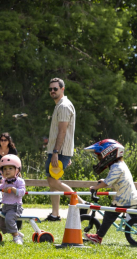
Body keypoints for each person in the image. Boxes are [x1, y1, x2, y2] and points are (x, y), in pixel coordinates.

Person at [83, 140, 137, 244]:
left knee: (108, 216)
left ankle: (98, 237)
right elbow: (113, 179)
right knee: (135, 220)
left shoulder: (116, 167)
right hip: (132, 197)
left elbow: (107, 183)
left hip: (124, 199)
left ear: (108, 154)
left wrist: (95, 187)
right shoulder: (120, 164)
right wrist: (104, 180)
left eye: (100, 156)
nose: (99, 159)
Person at [44, 77, 82, 221]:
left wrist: (56, 153)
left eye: (55, 88)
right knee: (53, 182)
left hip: (58, 152)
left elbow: (63, 132)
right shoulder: (59, 105)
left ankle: (82, 204)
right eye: (50, 89)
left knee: (52, 182)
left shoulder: (64, 106)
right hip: (59, 151)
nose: (52, 91)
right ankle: (55, 214)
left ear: (62, 89)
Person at [0, 155, 26, 245]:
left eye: (10, 168)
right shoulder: (5, 181)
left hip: (15, 206)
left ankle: (16, 237)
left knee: (9, 219)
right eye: (4, 169)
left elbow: (22, 192)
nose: (7, 170)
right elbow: (0, 187)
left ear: (17, 170)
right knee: (1, 223)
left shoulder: (19, 181)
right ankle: (16, 232)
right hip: (5, 206)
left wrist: (13, 189)